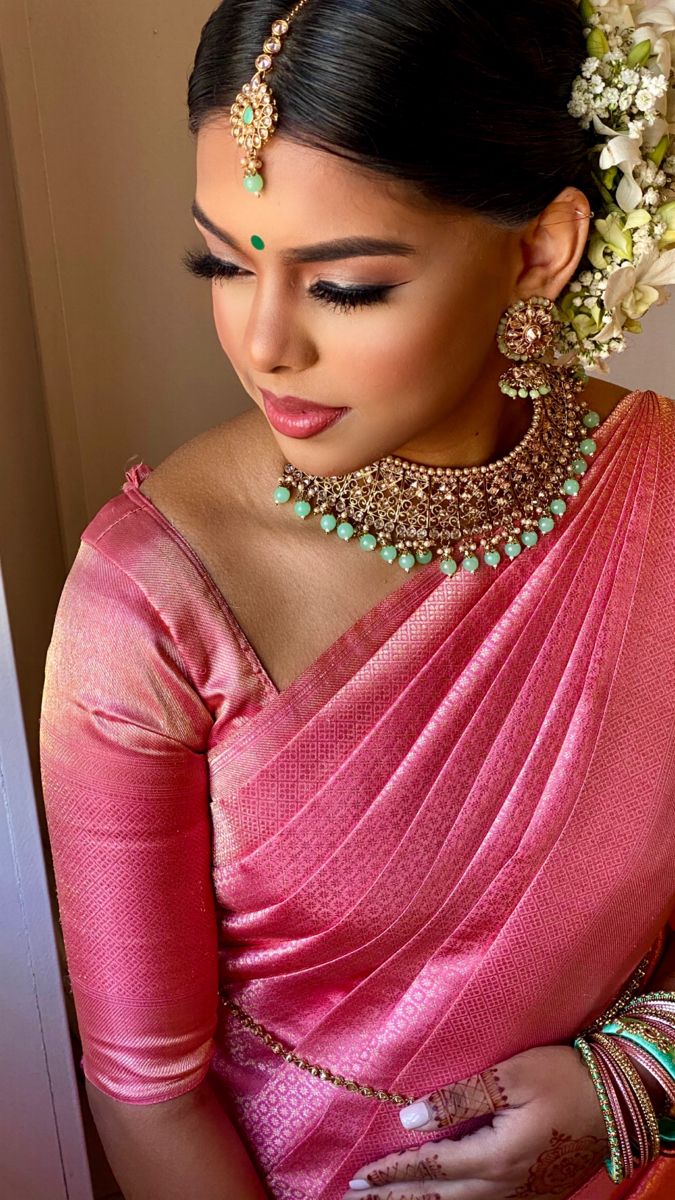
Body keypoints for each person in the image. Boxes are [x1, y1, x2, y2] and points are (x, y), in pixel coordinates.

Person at [38, 1, 675, 1198]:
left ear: (540, 250)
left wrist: (632, 1084)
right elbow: (148, 1094)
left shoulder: (664, 501)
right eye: (222, 261)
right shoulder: (152, 600)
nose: (262, 340)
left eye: (348, 287)